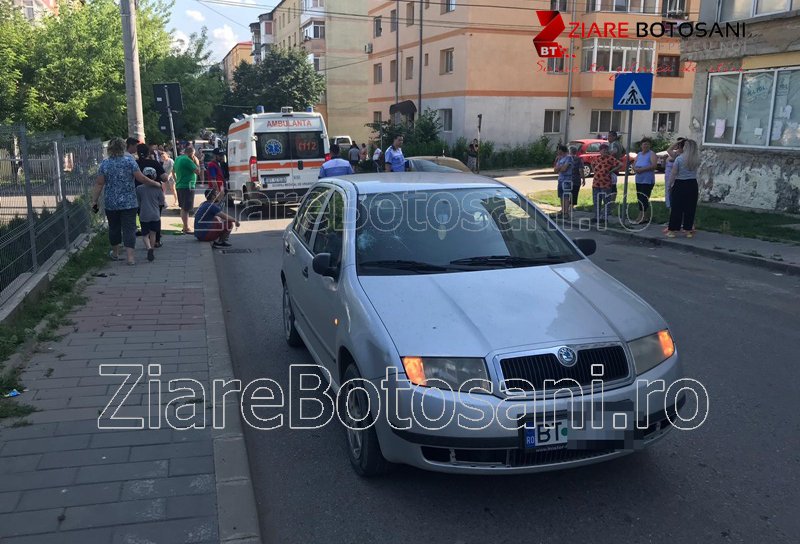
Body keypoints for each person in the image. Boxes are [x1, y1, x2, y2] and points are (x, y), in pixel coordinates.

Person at [91, 137, 161, 266]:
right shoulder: (130, 161)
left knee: (114, 228)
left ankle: (116, 253)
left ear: (110, 149)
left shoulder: (105, 164)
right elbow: (142, 178)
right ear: (123, 147)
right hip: (129, 202)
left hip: (111, 203)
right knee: (129, 229)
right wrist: (155, 184)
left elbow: (99, 184)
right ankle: (130, 258)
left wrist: (94, 201)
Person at [666, 139, 700, 238]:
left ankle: (672, 230)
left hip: (680, 183)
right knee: (690, 208)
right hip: (692, 184)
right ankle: (688, 230)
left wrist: (669, 185)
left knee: (677, 207)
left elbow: (673, 173)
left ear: (686, 147)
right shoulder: (696, 159)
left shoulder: (679, 159)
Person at [136, 167, 165, 262]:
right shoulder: (157, 188)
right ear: (154, 176)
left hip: (144, 214)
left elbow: (138, 202)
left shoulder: (139, 189)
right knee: (153, 233)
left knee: (145, 234)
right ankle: (152, 249)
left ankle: (148, 248)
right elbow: (161, 201)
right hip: (155, 214)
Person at [591, 143, 621, 225]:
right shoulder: (597, 158)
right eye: (602, 150)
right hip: (596, 182)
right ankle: (596, 217)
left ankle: (605, 218)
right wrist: (594, 170)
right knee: (596, 200)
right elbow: (592, 164)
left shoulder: (610, 158)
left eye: (606, 150)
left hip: (605, 182)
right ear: (600, 151)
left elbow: (620, 164)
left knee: (606, 200)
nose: (604, 151)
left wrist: (611, 171)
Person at [174, 146, 201, 234]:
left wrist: (176, 180)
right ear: (192, 153)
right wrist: (197, 161)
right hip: (187, 186)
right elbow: (198, 171)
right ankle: (186, 227)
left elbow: (172, 170)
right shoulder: (187, 160)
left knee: (183, 208)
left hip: (180, 185)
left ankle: (185, 226)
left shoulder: (178, 158)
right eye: (193, 154)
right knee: (186, 208)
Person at [632, 137, 657, 224]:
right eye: (644, 144)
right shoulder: (639, 154)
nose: (645, 145)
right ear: (641, 145)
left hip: (647, 180)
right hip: (639, 179)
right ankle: (643, 216)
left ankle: (642, 217)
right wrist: (635, 169)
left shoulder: (651, 154)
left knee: (644, 198)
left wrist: (642, 169)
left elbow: (654, 165)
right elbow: (634, 164)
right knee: (639, 198)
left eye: (647, 144)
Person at [664, 137, 686, 213]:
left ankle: (673, 219)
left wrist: (679, 143)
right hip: (668, 177)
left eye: (678, 144)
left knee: (672, 198)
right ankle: (671, 218)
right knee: (669, 197)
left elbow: (668, 150)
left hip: (673, 179)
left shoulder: (679, 155)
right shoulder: (676, 153)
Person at [553, 144, 574, 218]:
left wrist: (559, 168)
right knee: (561, 196)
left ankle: (566, 212)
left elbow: (564, 169)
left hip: (567, 179)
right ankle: (562, 211)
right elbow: (555, 170)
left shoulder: (568, 158)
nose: (557, 151)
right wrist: (559, 167)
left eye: (558, 149)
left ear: (561, 150)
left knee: (565, 196)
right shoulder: (559, 158)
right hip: (560, 179)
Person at [606, 130, 625, 209]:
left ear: (614, 137)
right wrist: (619, 158)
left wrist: (607, 155)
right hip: (615, 166)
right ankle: (611, 203)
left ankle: (611, 203)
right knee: (613, 185)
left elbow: (614, 151)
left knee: (611, 186)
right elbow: (624, 152)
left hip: (611, 167)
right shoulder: (619, 143)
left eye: (610, 136)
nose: (608, 138)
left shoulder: (613, 144)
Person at [569, 146, 585, 210]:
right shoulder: (579, 159)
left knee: (568, 192)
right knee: (575, 193)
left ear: (570, 152)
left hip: (568, 178)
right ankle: (572, 206)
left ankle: (566, 205)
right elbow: (581, 170)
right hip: (576, 179)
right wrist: (583, 179)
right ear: (576, 152)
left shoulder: (567, 159)